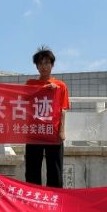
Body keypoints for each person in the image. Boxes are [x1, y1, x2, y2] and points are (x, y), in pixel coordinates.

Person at [24, 46, 69, 188]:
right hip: (34, 132)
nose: (44, 66)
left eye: (47, 63)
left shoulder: (60, 86)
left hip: (52, 131)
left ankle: (55, 197)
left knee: (55, 168)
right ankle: (33, 196)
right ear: (36, 66)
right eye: (40, 63)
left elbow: (62, 110)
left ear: (52, 65)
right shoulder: (30, 84)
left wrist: (61, 131)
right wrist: (41, 90)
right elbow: (23, 102)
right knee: (32, 169)